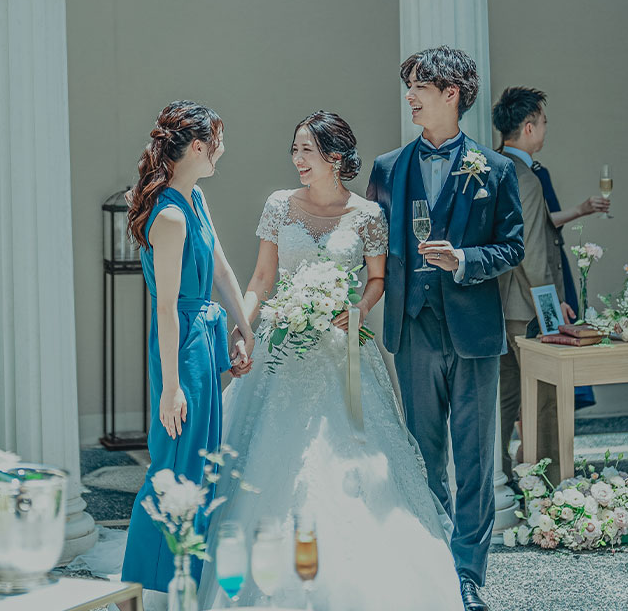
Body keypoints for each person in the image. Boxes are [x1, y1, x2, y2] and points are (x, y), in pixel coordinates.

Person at [201, 111, 465, 611]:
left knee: (354, 457)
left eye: (307, 150)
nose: (297, 160)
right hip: (284, 353)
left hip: (345, 353)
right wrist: (245, 328)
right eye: (294, 150)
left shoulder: (366, 214)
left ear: (335, 157)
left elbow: (377, 279)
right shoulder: (279, 206)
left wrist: (359, 307)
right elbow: (262, 279)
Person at [365, 47, 524, 611]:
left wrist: (464, 260)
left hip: (473, 333)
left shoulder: (495, 169)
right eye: (408, 87)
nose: (409, 97)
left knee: (476, 460)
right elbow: (371, 243)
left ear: (451, 94)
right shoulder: (388, 168)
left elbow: (512, 247)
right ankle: (430, 564)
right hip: (413, 330)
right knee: (423, 456)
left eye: (419, 87)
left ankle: (467, 575)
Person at [120, 101, 255, 593]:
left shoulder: (194, 198)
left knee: (199, 465)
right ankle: (136, 588)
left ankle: (181, 583)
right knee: (173, 466)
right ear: (198, 147)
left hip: (203, 337)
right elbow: (166, 308)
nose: (222, 150)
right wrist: (171, 387)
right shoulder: (171, 216)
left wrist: (245, 328)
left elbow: (221, 267)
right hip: (182, 347)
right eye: (217, 141)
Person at [491, 87, 609, 484]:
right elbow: (532, 253)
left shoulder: (492, 166)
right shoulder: (525, 177)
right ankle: (549, 484)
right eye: (543, 122)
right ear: (528, 127)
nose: (545, 129)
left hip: (501, 306)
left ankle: (499, 477)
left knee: (505, 397)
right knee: (544, 399)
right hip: (528, 308)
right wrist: (552, 305)